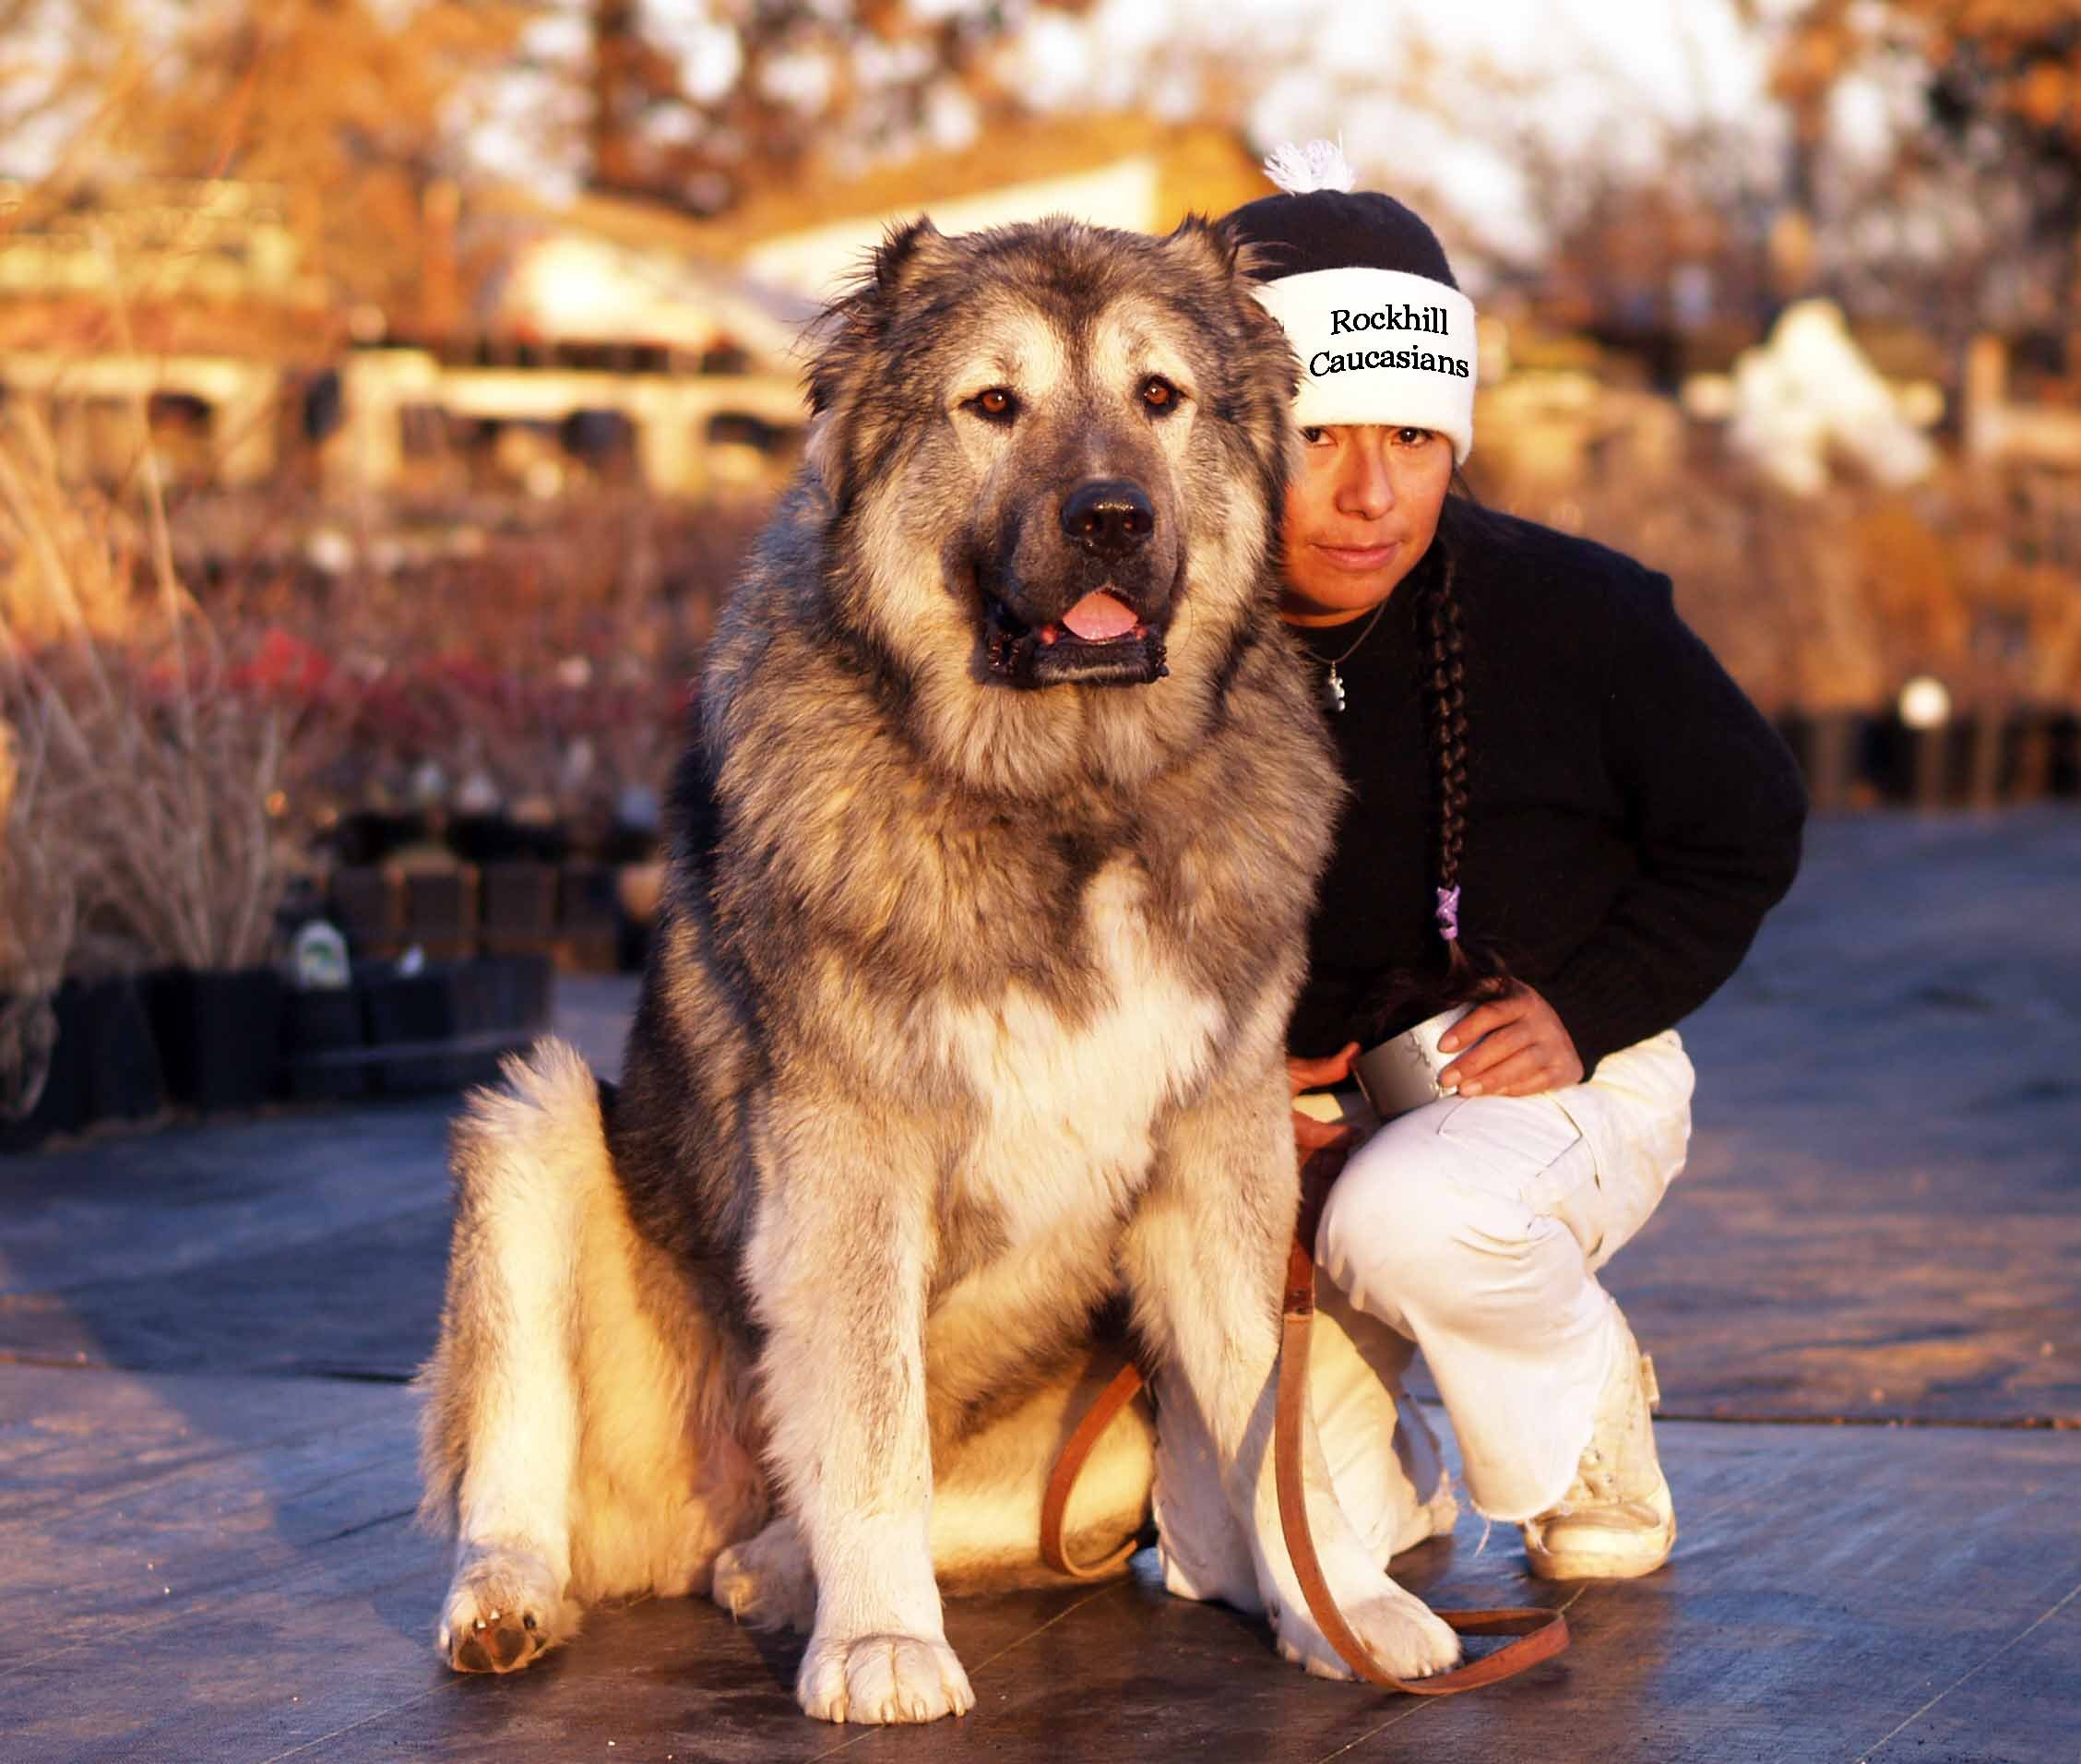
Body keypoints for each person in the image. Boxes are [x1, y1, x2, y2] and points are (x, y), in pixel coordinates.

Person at [1222, 143, 1809, 1579]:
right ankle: (1392, 1477)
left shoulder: (1576, 615)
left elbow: (1747, 828)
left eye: (1412, 441)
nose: (1370, 495)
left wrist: (1589, 1003)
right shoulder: (1156, 648)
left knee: (1412, 1218)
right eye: (1318, 436)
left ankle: (1588, 1415)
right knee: (1246, 1556)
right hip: (1271, 1120)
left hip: (1546, 1080)